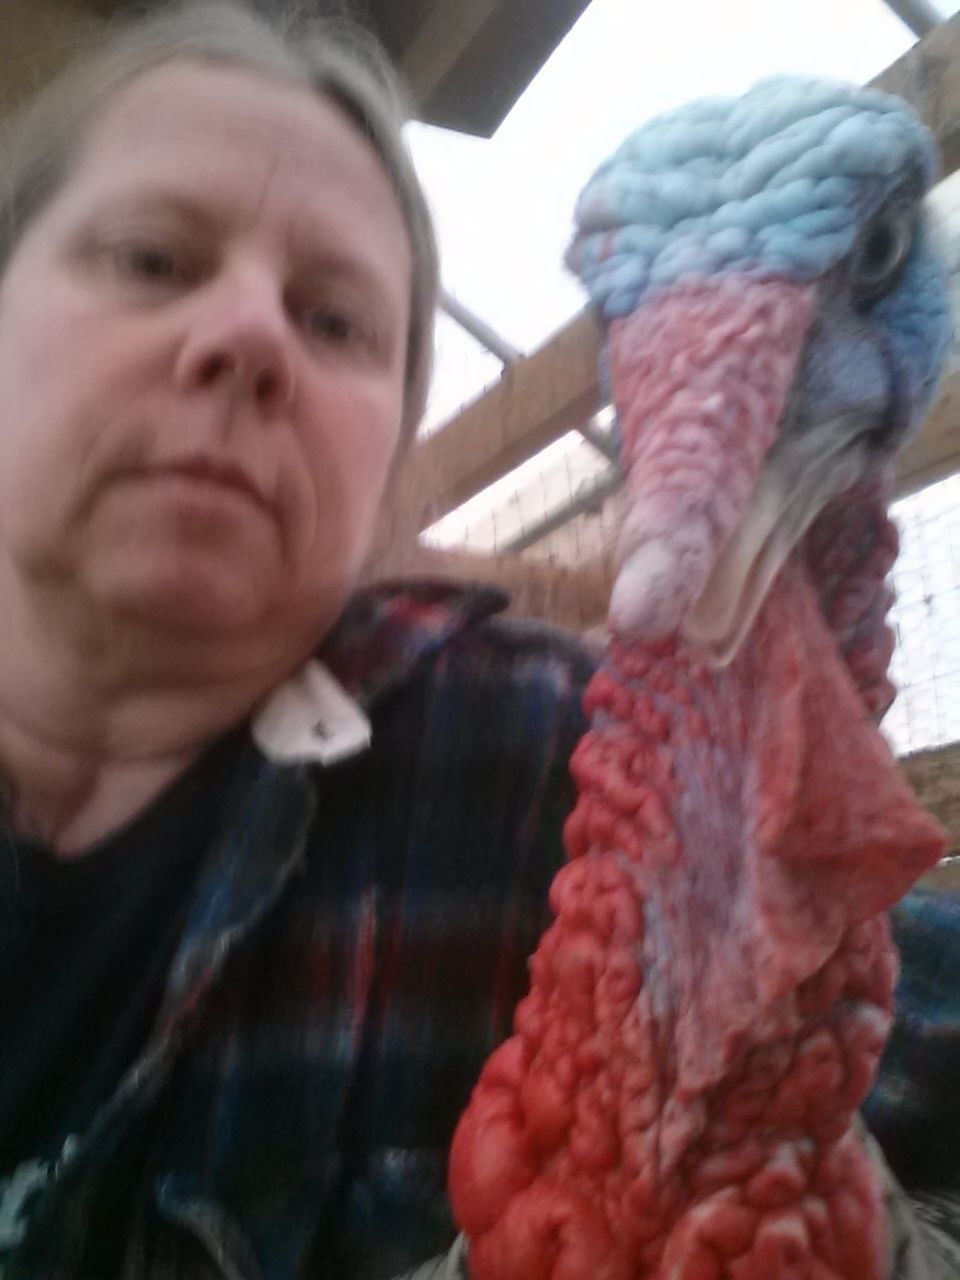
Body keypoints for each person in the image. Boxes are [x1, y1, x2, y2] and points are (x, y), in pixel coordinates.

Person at [0, 3, 953, 1278]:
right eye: (152, 258)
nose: (245, 336)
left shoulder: (555, 753)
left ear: (387, 448)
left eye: (334, 318)